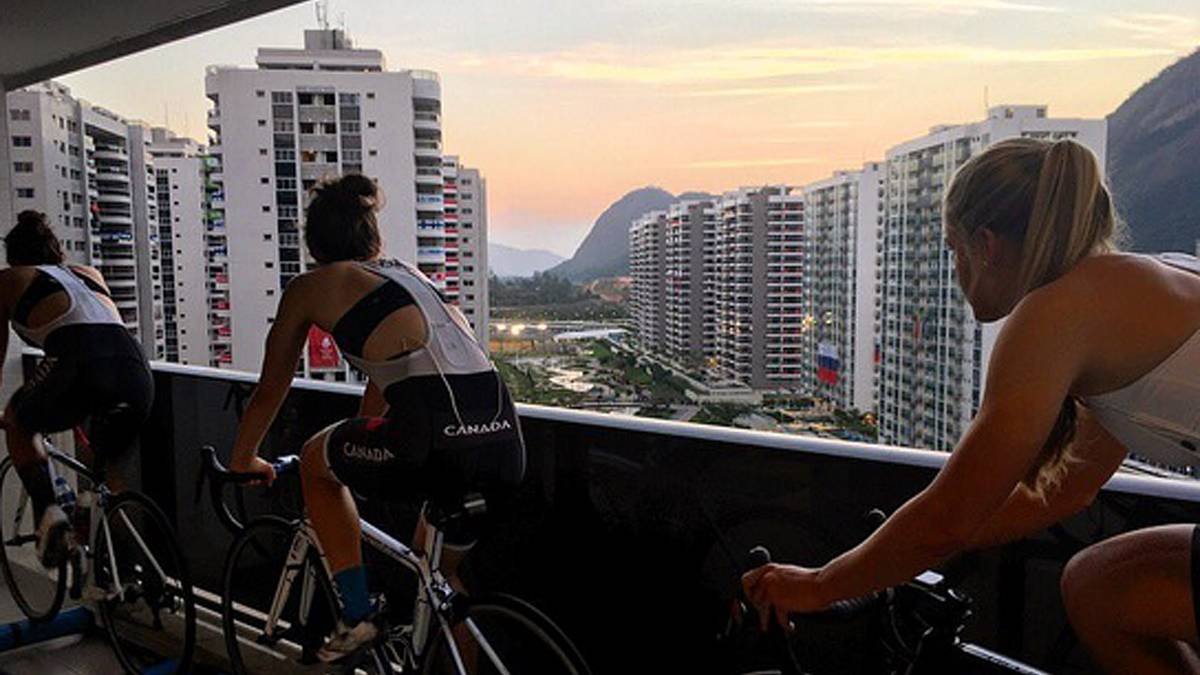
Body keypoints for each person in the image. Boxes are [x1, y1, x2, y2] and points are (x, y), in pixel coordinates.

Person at [743, 138, 1200, 674]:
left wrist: (819, 585)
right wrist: (892, 553)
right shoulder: (1124, 288)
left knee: (1099, 590)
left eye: (952, 250)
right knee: (1098, 589)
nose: (956, 269)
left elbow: (950, 518)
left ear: (986, 245)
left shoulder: (1055, 315)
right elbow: (1067, 485)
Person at [229, 174, 525, 663]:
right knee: (440, 576)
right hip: (504, 443)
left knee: (314, 462)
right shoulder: (411, 278)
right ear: (373, 237)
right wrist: (362, 446)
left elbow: (270, 388)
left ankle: (357, 616)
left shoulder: (309, 287)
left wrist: (244, 457)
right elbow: (392, 378)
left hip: (431, 444)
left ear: (314, 243)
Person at [0, 210, 154, 567]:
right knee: (106, 474)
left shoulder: (9, 279)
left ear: (14, 256)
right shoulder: (88, 273)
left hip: (79, 365)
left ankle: (50, 515)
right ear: (56, 251)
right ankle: (129, 569)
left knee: (18, 421)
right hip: (135, 371)